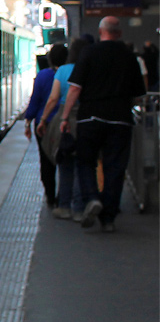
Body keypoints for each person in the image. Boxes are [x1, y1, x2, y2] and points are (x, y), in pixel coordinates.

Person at [59, 16, 146, 232]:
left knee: (85, 162)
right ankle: (108, 219)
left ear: (100, 32)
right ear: (120, 33)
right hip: (120, 120)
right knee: (115, 168)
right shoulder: (129, 56)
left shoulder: (89, 52)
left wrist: (64, 117)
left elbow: (75, 88)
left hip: (90, 118)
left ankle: (92, 198)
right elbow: (138, 95)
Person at [39, 37, 88, 220]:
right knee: (82, 165)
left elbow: (53, 99)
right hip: (85, 119)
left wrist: (43, 120)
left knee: (65, 163)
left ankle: (64, 206)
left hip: (65, 120)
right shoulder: (90, 69)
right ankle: (79, 208)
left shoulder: (63, 71)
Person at [22, 43, 66, 209]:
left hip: (44, 124)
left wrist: (28, 121)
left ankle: (50, 195)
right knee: (65, 161)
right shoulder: (70, 74)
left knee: (46, 160)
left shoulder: (43, 76)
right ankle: (64, 196)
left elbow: (35, 101)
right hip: (64, 123)